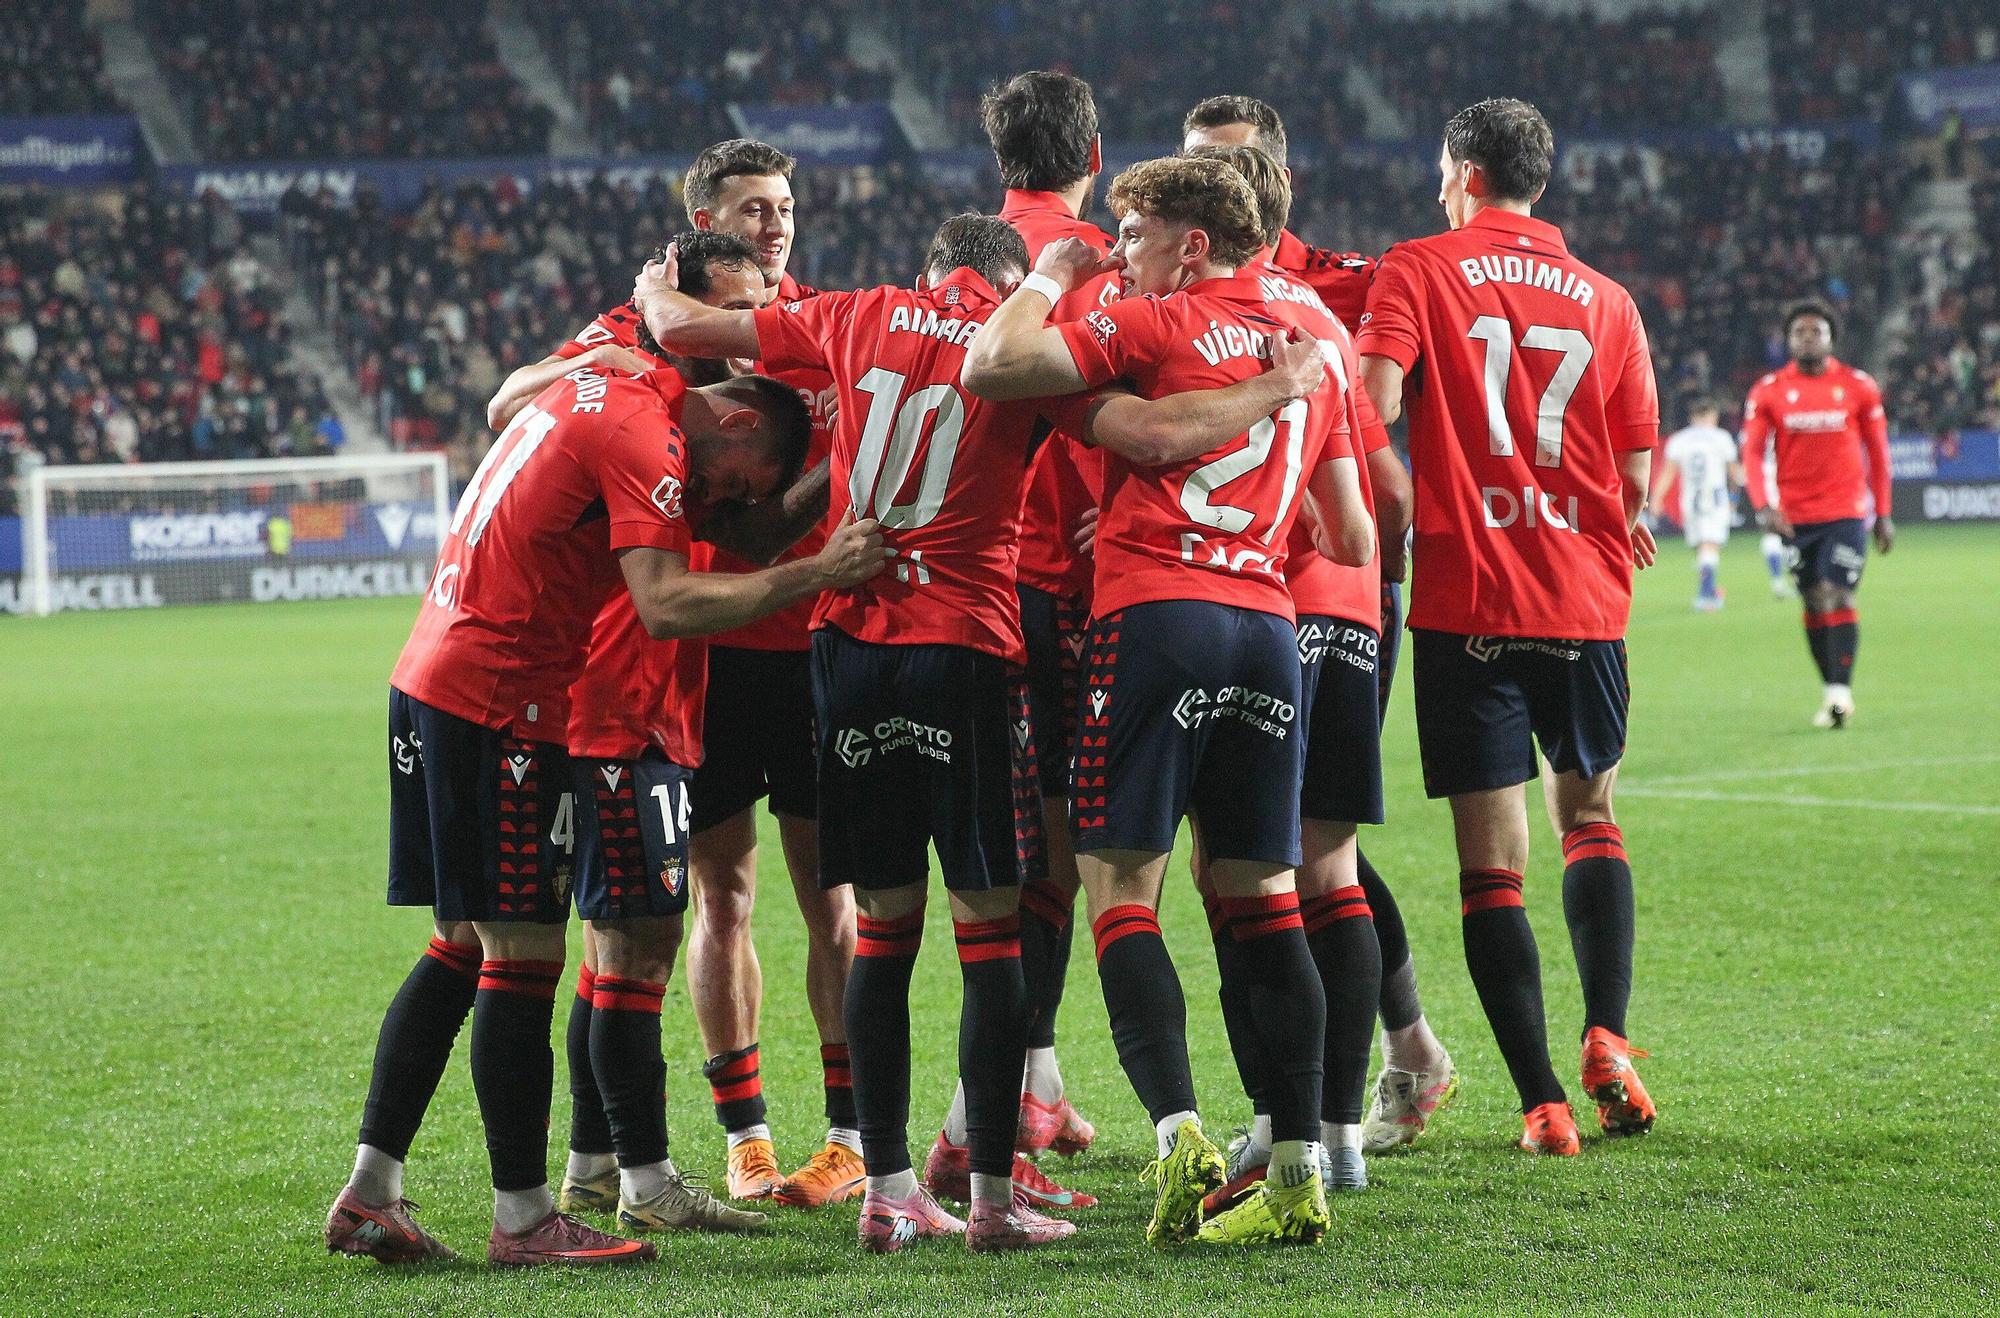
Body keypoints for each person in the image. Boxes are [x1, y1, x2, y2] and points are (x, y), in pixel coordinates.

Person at [323, 344, 884, 1267]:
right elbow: (663, 605)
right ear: (737, 420)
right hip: (499, 698)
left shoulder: (600, 385)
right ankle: (525, 1220)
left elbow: (520, 404)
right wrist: (812, 575)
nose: (733, 500)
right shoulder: (646, 436)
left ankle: (373, 1190)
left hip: (433, 675)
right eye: (748, 480)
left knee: (460, 943)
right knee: (523, 958)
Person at [965, 154, 1375, 1247]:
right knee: (1262, 898)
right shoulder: (1318, 342)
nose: (1120, 250)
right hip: (1269, 632)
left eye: (1134, 233)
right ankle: (1295, 1165)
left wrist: (1051, 276)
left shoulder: (1161, 321)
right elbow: (1350, 534)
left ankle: (1180, 1133)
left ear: (1190, 243)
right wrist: (1251, 505)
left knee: (1118, 888)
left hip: (1157, 621)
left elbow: (993, 364)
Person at [1357, 98, 1660, 1158]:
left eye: (1443, 169)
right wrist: (1623, 514)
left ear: (1464, 172)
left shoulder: (1418, 268)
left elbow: (1371, 396)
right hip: (1582, 599)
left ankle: (1541, 1106)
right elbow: (1632, 473)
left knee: (1491, 868)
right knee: (1590, 817)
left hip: (1466, 601)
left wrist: (1397, 501)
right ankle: (1608, 1037)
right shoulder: (1608, 301)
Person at [1181, 93, 1457, 1153]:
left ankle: (1324, 1115)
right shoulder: (1173, 281)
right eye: (1198, 163)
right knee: (1257, 849)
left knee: (1304, 843)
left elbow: (1383, 470)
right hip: (1224, 594)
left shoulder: (1351, 285)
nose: (1218, 182)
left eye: (1236, 165)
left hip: (1332, 590)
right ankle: (1397, 1054)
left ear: (1278, 180)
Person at [553, 235, 812, 1238]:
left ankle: (590, 1164)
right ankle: (642, 1177)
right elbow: (665, 599)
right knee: (633, 943)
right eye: (744, 285)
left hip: (647, 703)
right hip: (617, 702)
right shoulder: (643, 385)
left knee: (620, 941)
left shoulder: (658, 393)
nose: (761, 305)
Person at [929, 67, 1114, 1184]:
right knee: (1063, 860)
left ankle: (1029, 1087)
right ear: (1091, 152)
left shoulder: (960, 258)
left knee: (1002, 867)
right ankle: (984, 1117)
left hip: (977, 586)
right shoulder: (1093, 265)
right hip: (1074, 593)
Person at [1741, 302, 1894, 728]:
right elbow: (1752, 453)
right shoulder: (1769, 390)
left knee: (1837, 592)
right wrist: (1763, 505)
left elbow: (1879, 454)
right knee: (1812, 598)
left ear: (1832, 338)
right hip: (1795, 517)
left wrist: (1883, 512)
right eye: (1800, 332)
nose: (1808, 337)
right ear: (1788, 341)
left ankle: (1842, 692)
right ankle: (1831, 691)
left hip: (1846, 512)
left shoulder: (1858, 386)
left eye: (1817, 331)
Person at [1654, 399, 1743, 612]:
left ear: (1692, 417)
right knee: (1710, 545)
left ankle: (1710, 590)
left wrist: (1656, 498)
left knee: (1703, 545)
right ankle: (1706, 596)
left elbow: (1668, 472)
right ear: (1713, 416)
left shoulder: (1679, 439)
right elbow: (1734, 473)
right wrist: (1735, 498)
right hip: (1714, 499)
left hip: (1690, 501)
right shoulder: (1721, 438)